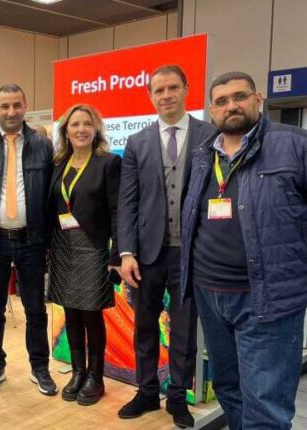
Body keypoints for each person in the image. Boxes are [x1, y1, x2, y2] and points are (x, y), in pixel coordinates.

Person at [180, 71, 307, 430]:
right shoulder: (203, 155)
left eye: (239, 97)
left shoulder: (295, 145)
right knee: (229, 388)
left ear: (258, 99)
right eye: (221, 101)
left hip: (267, 298)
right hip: (210, 294)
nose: (231, 106)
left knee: (265, 405)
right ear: (211, 110)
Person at [117, 65, 217, 428]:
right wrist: (126, 252)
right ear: (149, 96)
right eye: (158, 90)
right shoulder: (137, 141)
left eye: (173, 87)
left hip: (192, 252)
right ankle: (146, 391)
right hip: (147, 253)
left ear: (186, 89)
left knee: (185, 330)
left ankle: (177, 397)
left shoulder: (210, 135)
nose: (166, 95)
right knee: (144, 325)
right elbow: (127, 201)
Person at [0, 84, 56, 396]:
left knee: (35, 308)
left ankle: (40, 367)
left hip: (32, 240)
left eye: (16, 105)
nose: (11, 112)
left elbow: (51, 195)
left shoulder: (43, 146)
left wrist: (51, 239)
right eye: (5, 106)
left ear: (25, 106)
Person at [45, 103, 121, 406]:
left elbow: (117, 212)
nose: (81, 130)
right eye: (75, 124)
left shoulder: (108, 163)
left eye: (87, 124)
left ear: (95, 129)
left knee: (91, 313)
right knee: (71, 311)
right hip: (62, 246)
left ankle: (95, 376)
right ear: (66, 131)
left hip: (92, 247)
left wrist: (117, 254)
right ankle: (78, 372)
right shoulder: (58, 164)